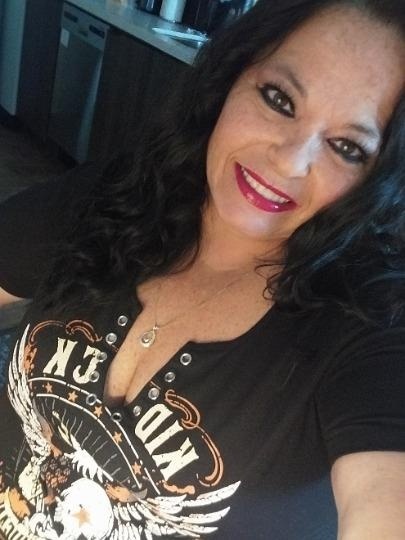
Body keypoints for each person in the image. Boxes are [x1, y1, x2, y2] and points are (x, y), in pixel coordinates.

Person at [0, 0, 405, 538]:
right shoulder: (120, 197)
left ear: (379, 179)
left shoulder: (371, 328)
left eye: (347, 147)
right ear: (232, 77)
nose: (289, 160)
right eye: (279, 99)